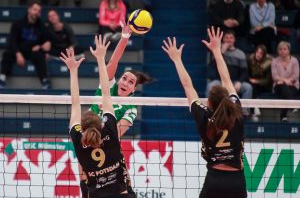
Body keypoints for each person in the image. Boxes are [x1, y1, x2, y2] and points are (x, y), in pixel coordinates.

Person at [162, 26, 247, 198]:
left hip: (214, 179)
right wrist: (216, 51)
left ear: (209, 103)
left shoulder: (204, 116)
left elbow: (188, 86)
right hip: (237, 179)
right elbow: (226, 79)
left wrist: (177, 59)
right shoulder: (236, 111)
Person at [81, 21, 151, 198]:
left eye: (131, 82)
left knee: (126, 186)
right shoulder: (108, 86)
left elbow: (116, 134)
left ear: (133, 90)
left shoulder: (131, 108)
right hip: (87, 139)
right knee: (85, 182)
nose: (126, 83)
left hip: (110, 146)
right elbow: (113, 60)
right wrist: (125, 37)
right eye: (124, 79)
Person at [61, 35, 129, 198]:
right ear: (101, 123)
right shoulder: (110, 132)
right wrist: (100, 58)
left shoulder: (78, 139)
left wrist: (73, 71)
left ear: (82, 128)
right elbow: (106, 94)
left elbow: (75, 103)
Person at [0, 2, 51, 89]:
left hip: (32, 51)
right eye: (35, 9)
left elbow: (46, 42)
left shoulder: (42, 26)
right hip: (18, 50)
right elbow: (13, 41)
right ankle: (2, 79)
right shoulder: (17, 23)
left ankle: (45, 81)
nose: (37, 12)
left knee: (40, 56)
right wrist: (18, 54)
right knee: (7, 54)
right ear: (29, 10)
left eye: (39, 11)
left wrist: (42, 46)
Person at [206, 29, 253, 116]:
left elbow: (244, 71)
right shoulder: (218, 52)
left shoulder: (240, 54)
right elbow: (212, 66)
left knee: (248, 87)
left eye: (231, 38)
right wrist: (221, 52)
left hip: (235, 82)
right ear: (223, 39)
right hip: (219, 81)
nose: (229, 40)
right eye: (226, 38)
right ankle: (210, 111)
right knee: (210, 86)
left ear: (234, 39)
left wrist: (240, 81)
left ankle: (244, 112)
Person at [271, 41, 299, 122]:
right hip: (278, 86)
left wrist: (284, 81)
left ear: (289, 50)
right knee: (283, 87)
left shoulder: (294, 61)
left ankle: (283, 117)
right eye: (280, 49)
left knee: (286, 92)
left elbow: (296, 76)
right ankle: (292, 104)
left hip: (293, 85)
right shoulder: (274, 61)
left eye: (284, 49)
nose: (282, 51)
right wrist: (286, 81)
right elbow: (275, 77)